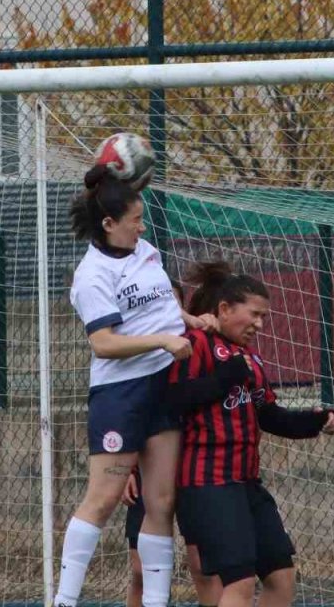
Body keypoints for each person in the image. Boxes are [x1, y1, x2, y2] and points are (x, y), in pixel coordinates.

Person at [54, 158, 214, 607]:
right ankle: (65, 600)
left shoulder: (145, 254)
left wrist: (187, 319)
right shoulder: (92, 276)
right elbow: (103, 343)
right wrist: (164, 339)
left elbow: (158, 303)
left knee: (161, 502)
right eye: (135, 221)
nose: (142, 228)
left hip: (163, 386)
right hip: (121, 395)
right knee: (103, 499)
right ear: (108, 224)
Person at [170, 261, 334, 607]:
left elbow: (269, 415)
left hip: (246, 482)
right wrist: (226, 376)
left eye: (264, 318)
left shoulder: (250, 359)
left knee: (281, 577)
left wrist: (314, 421)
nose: (260, 325)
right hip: (208, 481)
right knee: (238, 581)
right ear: (225, 309)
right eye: (255, 315)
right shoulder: (195, 343)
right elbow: (174, 399)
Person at [122, 467, 221, 607]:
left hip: (195, 471)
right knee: (141, 572)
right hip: (148, 470)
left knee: (204, 568)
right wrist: (128, 470)